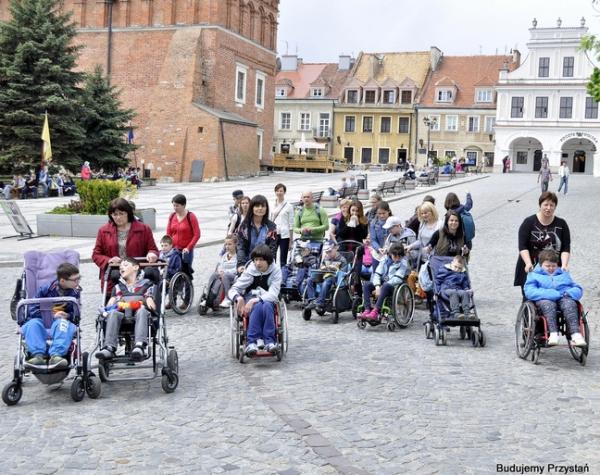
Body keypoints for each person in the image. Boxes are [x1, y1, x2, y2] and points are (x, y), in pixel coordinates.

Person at [22, 263, 81, 369]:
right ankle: (38, 356)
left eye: (79, 278)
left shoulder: (75, 292)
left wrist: (68, 315)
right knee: (32, 324)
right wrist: (52, 315)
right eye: (75, 280)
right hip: (41, 319)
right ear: (62, 281)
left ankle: (56, 355)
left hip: (60, 321)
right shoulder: (46, 289)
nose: (78, 282)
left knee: (63, 324)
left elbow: (76, 314)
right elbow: (32, 308)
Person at [96, 258, 156, 361]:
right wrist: (109, 307)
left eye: (125, 265)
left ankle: (139, 345)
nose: (121, 268)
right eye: (120, 267)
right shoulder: (118, 287)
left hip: (140, 314)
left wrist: (148, 301)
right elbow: (110, 304)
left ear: (136, 267)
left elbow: (152, 306)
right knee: (113, 313)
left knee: (142, 310)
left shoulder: (146, 284)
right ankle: (109, 347)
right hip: (122, 315)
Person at [92, 198, 159, 291]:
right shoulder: (104, 231)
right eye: (115, 214)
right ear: (111, 215)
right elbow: (96, 254)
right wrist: (109, 260)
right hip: (114, 276)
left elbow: (153, 249)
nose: (118, 217)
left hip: (137, 276)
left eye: (121, 214)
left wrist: (152, 254)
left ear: (128, 213)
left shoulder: (143, 229)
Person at [228, 245, 282, 356]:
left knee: (265, 305)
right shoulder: (250, 271)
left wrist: (255, 300)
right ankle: (251, 342)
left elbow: (273, 293)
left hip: (267, 299)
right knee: (257, 306)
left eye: (261, 260)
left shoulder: (275, 271)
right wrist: (238, 297)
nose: (258, 263)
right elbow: (233, 289)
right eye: (256, 260)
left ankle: (270, 341)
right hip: (250, 297)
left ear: (268, 260)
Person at [524, 250, 585, 347]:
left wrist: (569, 293)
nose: (551, 268)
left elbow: (576, 287)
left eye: (553, 266)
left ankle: (575, 334)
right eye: (547, 266)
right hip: (544, 299)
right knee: (548, 304)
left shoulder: (563, 273)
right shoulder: (534, 275)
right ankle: (553, 333)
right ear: (541, 265)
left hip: (563, 297)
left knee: (570, 304)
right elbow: (530, 291)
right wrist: (551, 294)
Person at [514, 192, 570, 296]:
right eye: (546, 204)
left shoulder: (562, 224)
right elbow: (522, 246)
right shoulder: (528, 222)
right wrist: (528, 263)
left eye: (552, 205)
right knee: (531, 297)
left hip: (553, 269)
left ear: (555, 207)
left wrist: (565, 265)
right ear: (540, 205)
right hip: (531, 268)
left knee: (557, 297)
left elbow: (566, 248)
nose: (548, 208)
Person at [360, 243, 408, 320]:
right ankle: (367, 309)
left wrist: (381, 287)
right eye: (395, 256)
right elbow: (377, 273)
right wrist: (377, 286)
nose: (397, 258)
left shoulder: (403, 263)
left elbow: (397, 278)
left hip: (393, 286)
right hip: (382, 283)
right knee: (367, 285)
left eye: (399, 256)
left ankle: (376, 310)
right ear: (390, 253)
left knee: (386, 286)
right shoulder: (384, 260)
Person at [304, 240, 348, 314]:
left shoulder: (342, 260)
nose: (328, 254)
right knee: (309, 280)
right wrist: (323, 267)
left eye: (330, 251)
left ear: (335, 248)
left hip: (334, 277)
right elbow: (321, 266)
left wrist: (335, 268)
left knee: (326, 282)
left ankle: (320, 302)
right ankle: (311, 300)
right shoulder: (326, 258)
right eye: (327, 252)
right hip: (323, 274)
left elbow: (343, 273)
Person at [236, 194, 278, 272]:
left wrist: (268, 264)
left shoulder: (271, 227)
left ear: (266, 208)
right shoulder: (244, 226)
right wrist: (241, 264)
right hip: (247, 265)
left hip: (265, 265)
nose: (260, 208)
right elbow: (240, 247)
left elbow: (273, 248)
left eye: (263, 206)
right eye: (257, 206)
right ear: (252, 208)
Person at [166, 194, 201, 275]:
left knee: (186, 273)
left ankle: (188, 287)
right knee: (173, 271)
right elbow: (168, 233)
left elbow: (197, 234)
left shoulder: (191, 216)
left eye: (177, 206)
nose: (175, 208)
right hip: (174, 250)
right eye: (174, 205)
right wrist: (168, 245)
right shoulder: (172, 216)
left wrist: (188, 248)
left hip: (186, 251)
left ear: (184, 205)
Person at [436, 255, 473, 319]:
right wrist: (437, 292)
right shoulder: (445, 270)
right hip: (446, 289)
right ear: (452, 263)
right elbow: (437, 281)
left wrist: (466, 289)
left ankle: (467, 313)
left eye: (459, 268)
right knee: (453, 293)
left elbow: (465, 283)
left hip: (458, 289)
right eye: (455, 267)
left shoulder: (462, 273)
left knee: (465, 293)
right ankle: (456, 313)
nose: (457, 269)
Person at [271, 183, 294, 265]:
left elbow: (291, 224)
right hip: (274, 234)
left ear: (284, 192)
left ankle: (283, 274)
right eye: (277, 191)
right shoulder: (272, 204)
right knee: (271, 256)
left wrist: (291, 240)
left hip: (285, 234)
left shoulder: (289, 206)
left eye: (281, 191)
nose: (279, 193)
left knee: (283, 258)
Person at [215, 235, 239, 308]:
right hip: (223, 274)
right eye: (226, 244)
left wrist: (225, 272)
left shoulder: (238, 256)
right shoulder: (225, 255)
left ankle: (228, 298)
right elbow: (220, 265)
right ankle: (208, 296)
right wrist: (220, 271)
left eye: (229, 244)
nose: (227, 247)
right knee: (214, 274)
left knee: (225, 276)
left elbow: (237, 268)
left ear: (235, 244)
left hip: (233, 276)